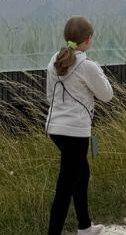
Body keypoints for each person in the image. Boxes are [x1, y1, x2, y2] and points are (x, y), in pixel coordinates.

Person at [46, 16, 113, 235]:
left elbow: (50, 97)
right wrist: (99, 70)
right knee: (65, 186)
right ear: (87, 40)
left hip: (55, 129)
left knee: (81, 174)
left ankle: (85, 226)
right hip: (76, 133)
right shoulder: (88, 66)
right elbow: (107, 95)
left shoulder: (54, 60)